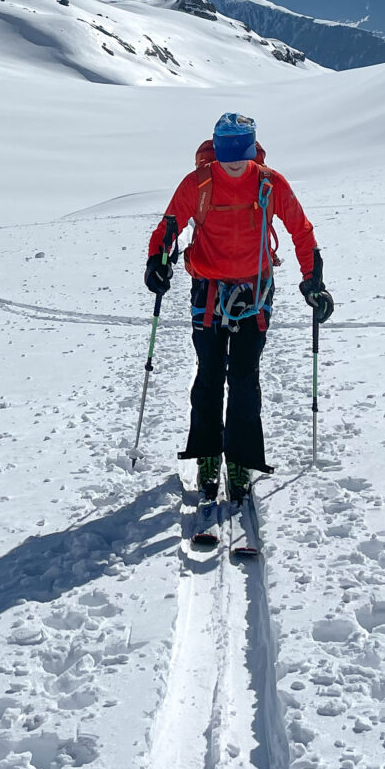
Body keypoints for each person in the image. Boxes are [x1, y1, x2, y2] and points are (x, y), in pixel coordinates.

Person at [143, 112, 333, 503]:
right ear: (216, 147)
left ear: (251, 149)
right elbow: (170, 225)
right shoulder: (199, 183)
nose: (232, 160)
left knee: (245, 376)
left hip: (255, 290)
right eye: (227, 150)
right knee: (210, 373)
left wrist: (313, 279)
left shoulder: (269, 182)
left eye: (239, 150)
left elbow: (301, 229)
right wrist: (156, 261)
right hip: (209, 291)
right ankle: (208, 455)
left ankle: (241, 458)